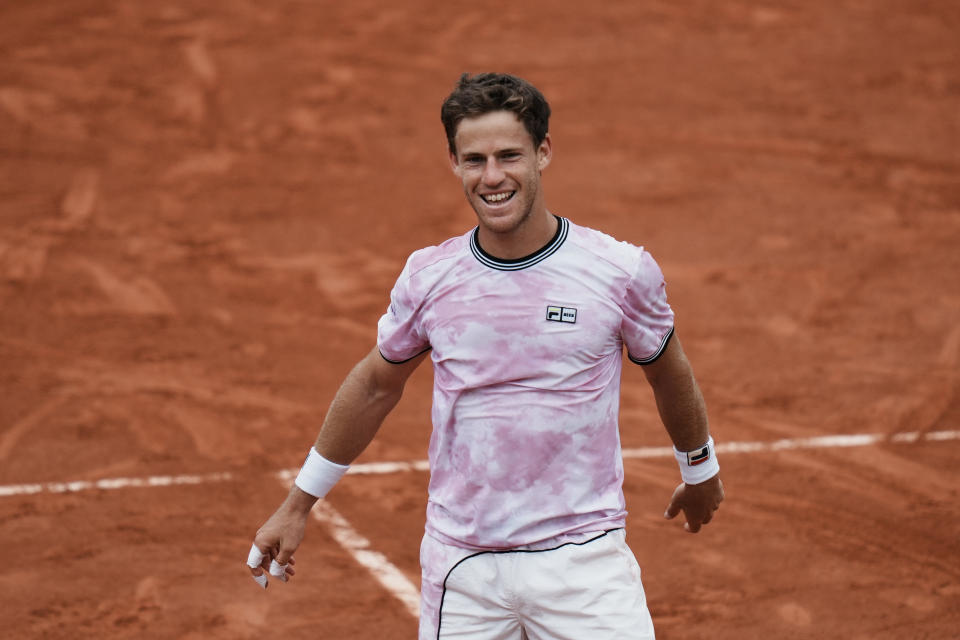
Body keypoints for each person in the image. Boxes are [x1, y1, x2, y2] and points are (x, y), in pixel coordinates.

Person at [246, 72, 724, 639]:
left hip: (585, 562)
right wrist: (298, 504)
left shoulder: (618, 272)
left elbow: (668, 372)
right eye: (474, 159)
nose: (492, 177)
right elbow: (376, 386)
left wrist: (701, 469)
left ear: (543, 153)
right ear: (453, 162)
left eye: (508, 156)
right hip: (464, 568)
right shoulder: (430, 278)